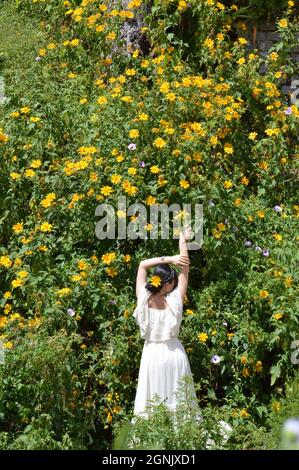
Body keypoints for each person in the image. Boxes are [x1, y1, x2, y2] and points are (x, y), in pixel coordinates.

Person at [133, 228, 199, 418]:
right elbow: (185, 269)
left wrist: (169, 259)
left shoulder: (143, 298)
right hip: (173, 353)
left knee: (151, 404)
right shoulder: (175, 300)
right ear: (168, 284)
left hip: (152, 354)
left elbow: (143, 265)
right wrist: (182, 242)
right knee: (179, 403)